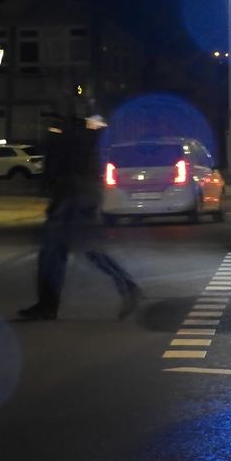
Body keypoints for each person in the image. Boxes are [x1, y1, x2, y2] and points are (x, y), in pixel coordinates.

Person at [17, 99, 141, 321]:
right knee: (70, 251)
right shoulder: (85, 131)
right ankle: (49, 304)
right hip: (78, 194)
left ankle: (48, 305)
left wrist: (53, 188)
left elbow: (62, 163)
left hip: (73, 195)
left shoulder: (72, 133)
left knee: (58, 251)